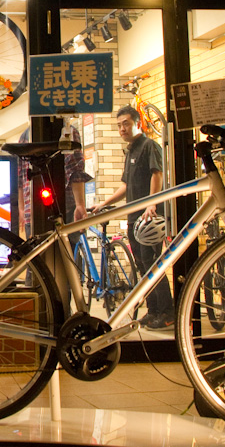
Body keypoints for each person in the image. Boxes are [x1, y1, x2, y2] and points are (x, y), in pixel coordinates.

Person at [92, 104, 172, 329]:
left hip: (149, 218)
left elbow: (157, 174)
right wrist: (104, 203)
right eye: (118, 125)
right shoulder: (130, 151)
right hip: (133, 218)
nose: (122, 129)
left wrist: (152, 203)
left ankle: (167, 312)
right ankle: (153, 310)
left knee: (153, 264)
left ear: (138, 123)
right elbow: (126, 186)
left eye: (126, 123)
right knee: (142, 266)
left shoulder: (149, 146)